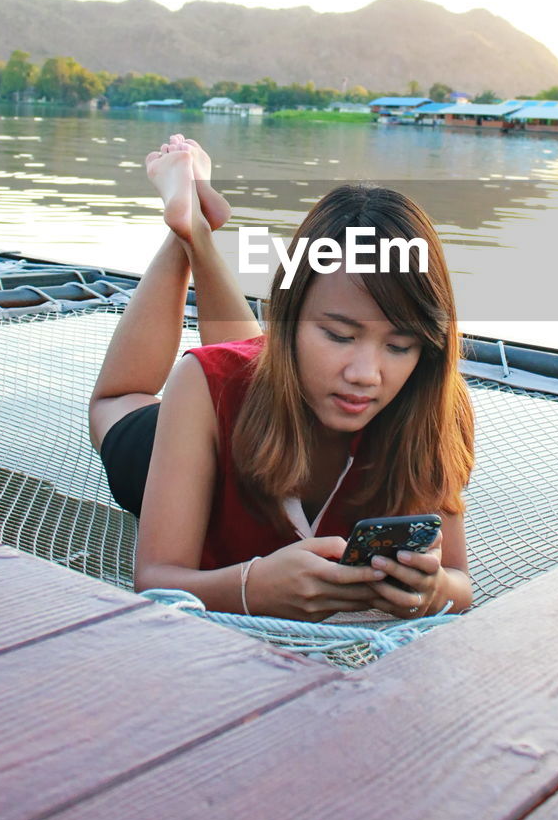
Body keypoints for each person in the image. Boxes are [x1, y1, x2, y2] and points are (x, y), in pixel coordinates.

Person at [89, 134, 474, 622]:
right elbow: (157, 581)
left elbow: (460, 584)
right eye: (337, 335)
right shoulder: (202, 388)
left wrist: (432, 587)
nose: (365, 376)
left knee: (249, 363)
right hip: (182, 440)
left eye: (399, 346)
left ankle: (199, 226)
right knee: (124, 397)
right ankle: (185, 232)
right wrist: (252, 588)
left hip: (269, 391)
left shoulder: (437, 407)